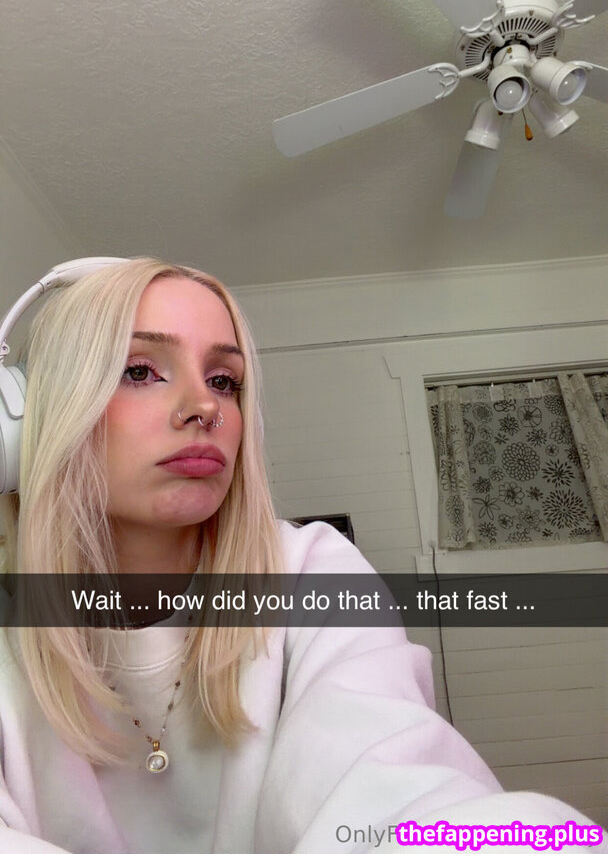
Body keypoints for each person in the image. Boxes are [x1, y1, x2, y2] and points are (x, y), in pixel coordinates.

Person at [0, 257, 605, 854]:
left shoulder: (309, 570)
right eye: (139, 370)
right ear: (30, 422)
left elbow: (396, 780)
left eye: (224, 381)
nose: (206, 406)